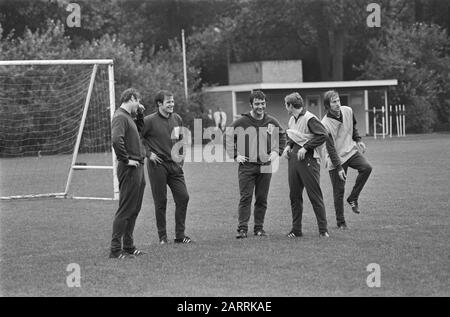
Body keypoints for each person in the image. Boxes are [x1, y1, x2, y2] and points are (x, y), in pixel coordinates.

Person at [225, 90, 286, 238]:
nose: (260, 106)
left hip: (265, 165)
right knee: (246, 197)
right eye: (257, 103)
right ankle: (242, 229)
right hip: (247, 166)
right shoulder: (242, 121)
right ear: (251, 104)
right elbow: (227, 136)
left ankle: (259, 228)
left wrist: (276, 151)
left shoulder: (271, 121)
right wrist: (235, 155)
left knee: (262, 198)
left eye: (263, 103)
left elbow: (282, 135)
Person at [142, 90, 192, 244]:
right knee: (161, 201)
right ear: (159, 104)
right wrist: (148, 154)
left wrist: (180, 160)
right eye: (168, 102)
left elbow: (181, 141)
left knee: (183, 197)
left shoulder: (177, 118)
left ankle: (180, 235)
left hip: (175, 166)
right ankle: (163, 237)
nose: (172, 104)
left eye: (172, 101)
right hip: (158, 166)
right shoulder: (148, 121)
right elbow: (137, 138)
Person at [321, 90, 373, 229]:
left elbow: (353, 126)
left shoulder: (348, 110)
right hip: (335, 157)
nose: (338, 104)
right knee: (339, 191)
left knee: (367, 168)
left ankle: (353, 198)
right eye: (334, 102)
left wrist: (358, 140)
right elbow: (330, 147)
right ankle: (341, 222)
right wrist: (338, 168)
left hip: (350, 151)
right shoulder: (324, 124)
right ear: (328, 105)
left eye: (338, 100)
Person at [282, 92, 329, 238]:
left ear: (290, 105)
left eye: (286, 105)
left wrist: (306, 147)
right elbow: (293, 136)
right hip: (293, 160)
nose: (286, 107)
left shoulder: (309, 118)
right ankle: (296, 230)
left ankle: (323, 230)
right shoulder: (292, 119)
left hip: (309, 159)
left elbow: (323, 135)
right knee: (294, 196)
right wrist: (288, 146)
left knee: (314, 195)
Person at [110, 88, 146, 259]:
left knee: (134, 209)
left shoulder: (129, 117)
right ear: (131, 98)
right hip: (130, 168)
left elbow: (139, 133)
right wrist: (125, 159)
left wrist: (139, 115)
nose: (139, 104)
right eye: (138, 101)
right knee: (125, 209)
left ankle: (129, 246)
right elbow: (117, 139)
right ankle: (116, 250)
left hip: (138, 167)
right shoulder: (120, 117)